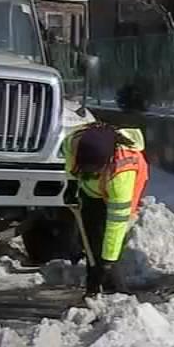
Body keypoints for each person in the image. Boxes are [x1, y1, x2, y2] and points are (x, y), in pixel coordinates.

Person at [62, 122, 150, 297]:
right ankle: (93, 289)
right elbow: (71, 163)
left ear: (106, 162)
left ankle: (117, 293)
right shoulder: (73, 142)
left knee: (107, 243)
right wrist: (71, 184)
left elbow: (116, 224)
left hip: (115, 194)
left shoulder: (121, 174)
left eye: (94, 171)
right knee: (91, 239)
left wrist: (108, 261)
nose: (89, 172)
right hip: (92, 192)